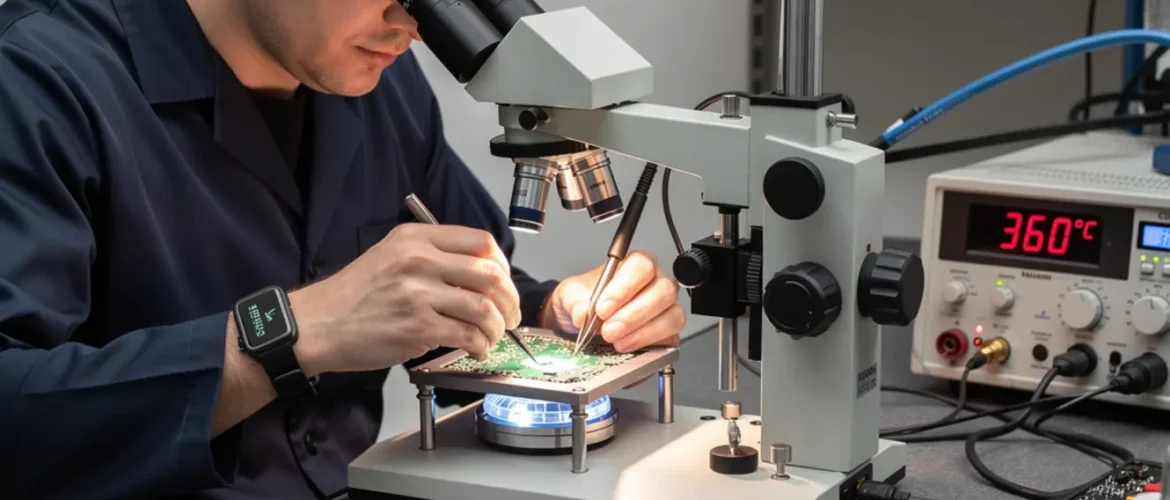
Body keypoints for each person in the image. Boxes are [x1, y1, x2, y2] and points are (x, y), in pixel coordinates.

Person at [0, 0, 685, 498]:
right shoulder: (37, 81)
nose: (409, 24)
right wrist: (288, 336)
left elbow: (458, 296)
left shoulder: (376, 83)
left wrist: (559, 318)